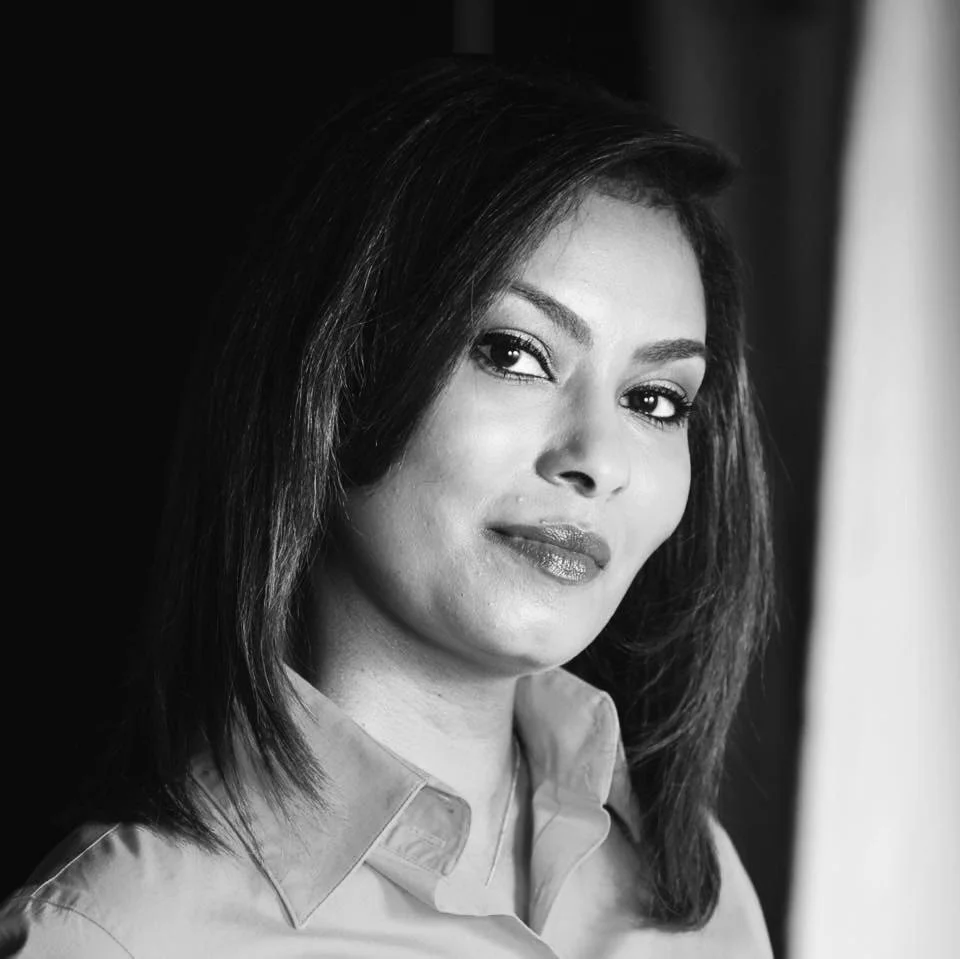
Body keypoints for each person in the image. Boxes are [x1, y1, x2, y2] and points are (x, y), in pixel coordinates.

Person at [0, 57, 774, 957]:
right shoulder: (113, 937)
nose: (598, 459)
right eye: (515, 353)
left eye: (655, 400)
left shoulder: (695, 894)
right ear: (334, 372)